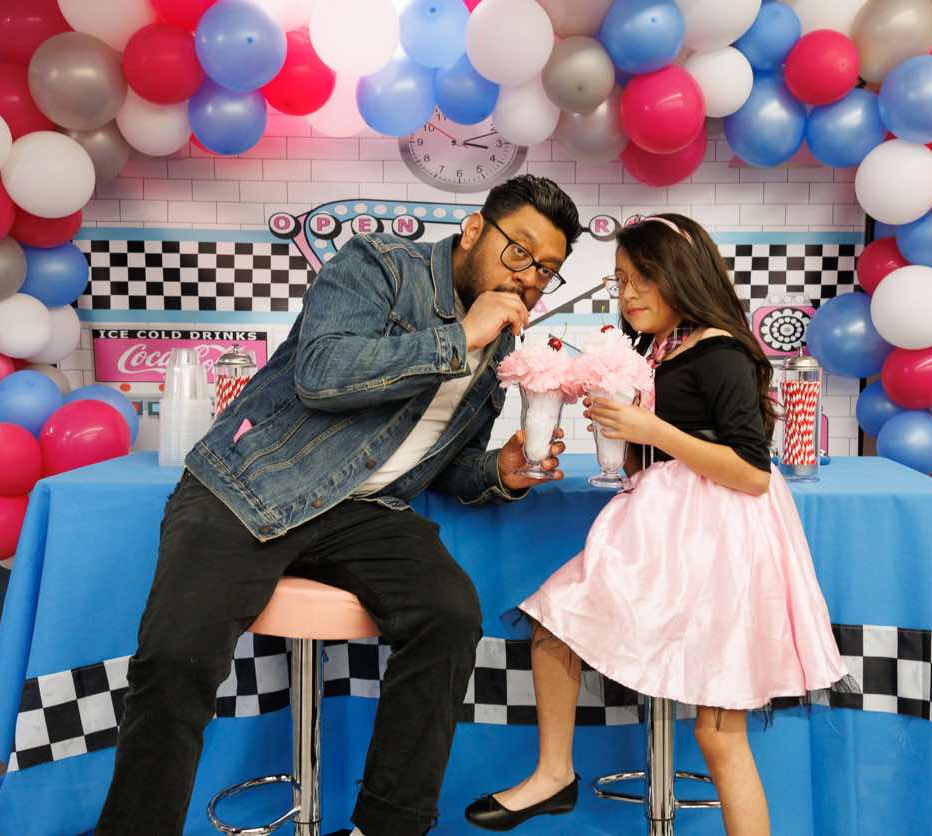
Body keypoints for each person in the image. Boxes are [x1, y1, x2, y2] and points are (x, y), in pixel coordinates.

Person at [95, 176, 582, 836]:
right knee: (176, 660)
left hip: (363, 511)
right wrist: (459, 338)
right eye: (518, 251)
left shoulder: (501, 342)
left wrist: (501, 471)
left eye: (546, 269)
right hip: (253, 482)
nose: (528, 277)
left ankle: (384, 829)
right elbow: (322, 375)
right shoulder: (381, 265)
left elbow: (446, 465)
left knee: (448, 614)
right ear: (473, 231)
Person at [465, 214, 851, 836]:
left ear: (684, 275)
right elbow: (659, 452)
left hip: (717, 545)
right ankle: (554, 774)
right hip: (664, 533)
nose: (630, 293)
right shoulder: (663, 349)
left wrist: (651, 430)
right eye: (621, 280)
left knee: (719, 734)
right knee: (556, 622)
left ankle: (558, 775)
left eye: (645, 277)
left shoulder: (720, 351)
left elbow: (752, 472)